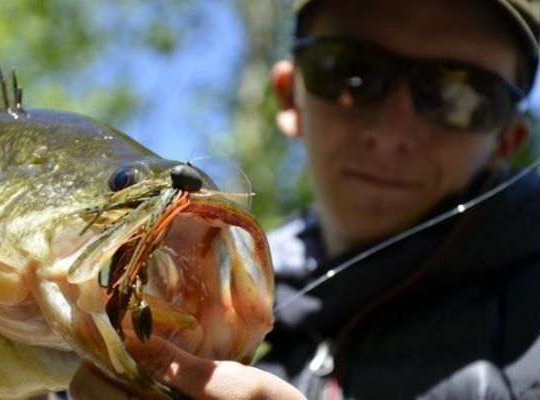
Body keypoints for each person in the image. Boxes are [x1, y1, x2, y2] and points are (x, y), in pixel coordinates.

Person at [69, 0, 540, 398]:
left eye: (459, 94)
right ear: (288, 97)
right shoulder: (230, 309)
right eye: (351, 72)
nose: (392, 132)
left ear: (508, 140)